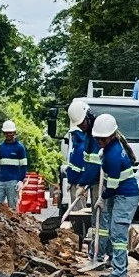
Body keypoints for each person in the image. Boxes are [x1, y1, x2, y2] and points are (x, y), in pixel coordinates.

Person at [94, 112, 139, 277]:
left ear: (112, 135)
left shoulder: (113, 154)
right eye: (98, 138)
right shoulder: (111, 148)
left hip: (125, 195)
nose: (99, 141)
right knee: (114, 231)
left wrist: (102, 198)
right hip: (121, 194)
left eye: (103, 139)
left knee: (118, 233)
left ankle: (120, 272)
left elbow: (112, 186)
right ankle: (115, 263)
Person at [61, 99, 95, 232]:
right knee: (78, 210)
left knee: (79, 212)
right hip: (80, 183)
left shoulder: (82, 148)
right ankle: (80, 231)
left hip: (79, 183)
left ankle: (79, 232)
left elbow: (82, 168)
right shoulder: (80, 147)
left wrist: (77, 182)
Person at [0, 119, 28, 210]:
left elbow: (23, 166)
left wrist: (20, 180)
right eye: (6, 133)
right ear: (4, 133)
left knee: (12, 207)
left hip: (13, 181)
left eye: (10, 132)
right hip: (0, 181)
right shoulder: (0, 147)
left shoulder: (20, 148)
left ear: (14, 132)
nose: (8, 135)